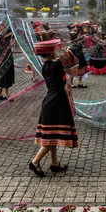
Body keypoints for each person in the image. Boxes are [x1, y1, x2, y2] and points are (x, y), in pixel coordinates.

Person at [30, 39, 79, 177]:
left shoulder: (45, 66)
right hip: (56, 102)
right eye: (53, 49)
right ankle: (34, 162)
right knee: (49, 138)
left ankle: (55, 164)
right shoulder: (55, 65)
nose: (56, 51)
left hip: (50, 101)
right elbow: (71, 59)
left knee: (52, 136)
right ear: (50, 52)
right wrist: (71, 49)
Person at [0, 18, 15, 101]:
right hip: (3, 57)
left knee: (4, 75)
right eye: (1, 25)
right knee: (4, 74)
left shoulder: (1, 34)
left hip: (7, 56)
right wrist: (9, 36)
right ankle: (7, 94)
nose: (3, 26)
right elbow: (2, 44)